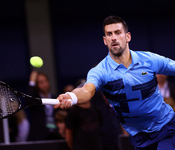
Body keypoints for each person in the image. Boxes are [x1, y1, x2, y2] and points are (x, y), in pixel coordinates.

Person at [54, 16, 175, 150]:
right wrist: (72, 97)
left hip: (167, 128)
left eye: (118, 32)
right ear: (105, 40)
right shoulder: (100, 71)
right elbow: (87, 91)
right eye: (109, 34)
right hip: (140, 138)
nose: (113, 38)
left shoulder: (149, 60)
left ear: (127, 37)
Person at [28, 71, 56, 141]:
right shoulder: (35, 100)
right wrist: (32, 82)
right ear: (37, 85)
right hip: (39, 138)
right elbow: (29, 101)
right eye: (41, 82)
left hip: (54, 136)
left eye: (45, 81)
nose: (44, 84)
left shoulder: (55, 97)